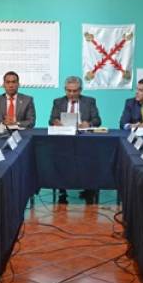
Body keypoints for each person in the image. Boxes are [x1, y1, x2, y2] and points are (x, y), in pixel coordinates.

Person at [50, 76, 101, 204]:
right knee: (60, 156)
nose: (71, 94)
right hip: (64, 139)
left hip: (84, 139)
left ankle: (89, 189)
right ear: (65, 89)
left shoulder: (89, 101)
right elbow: (51, 119)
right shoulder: (58, 102)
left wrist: (88, 124)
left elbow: (97, 120)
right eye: (69, 91)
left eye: (75, 91)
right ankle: (62, 190)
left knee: (89, 157)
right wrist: (56, 122)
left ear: (80, 90)